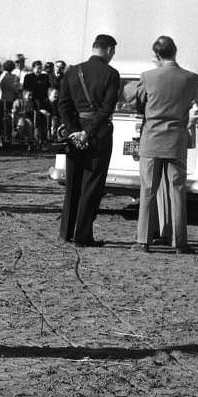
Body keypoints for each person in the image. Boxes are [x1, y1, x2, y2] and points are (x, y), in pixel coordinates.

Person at [134, 35, 198, 254]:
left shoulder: (148, 76)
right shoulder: (190, 78)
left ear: (156, 54)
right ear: (175, 51)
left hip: (152, 139)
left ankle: (143, 241)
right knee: (177, 190)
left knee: (148, 190)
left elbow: (135, 98)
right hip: (176, 140)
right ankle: (180, 242)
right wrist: (192, 119)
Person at [55, 33, 121, 246]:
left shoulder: (72, 71)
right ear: (109, 50)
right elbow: (107, 108)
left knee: (72, 182)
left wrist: (75, 131)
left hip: (75, 134)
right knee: (92, 184)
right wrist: (89, 132)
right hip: (98, 134)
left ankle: (66, 232)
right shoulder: (111, 74)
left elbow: (63, 105)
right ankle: (83, 235)